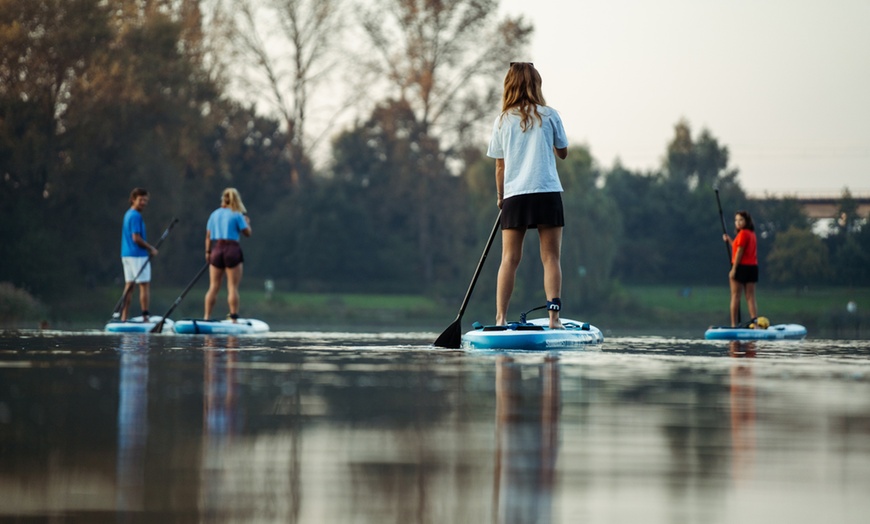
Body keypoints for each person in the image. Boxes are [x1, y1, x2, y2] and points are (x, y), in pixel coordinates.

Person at [486, 62, 568, 329]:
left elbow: (500, 165)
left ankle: (500, 319)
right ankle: (554, 319)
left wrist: (501, 197)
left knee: (509, 259)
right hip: (546, 192)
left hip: (514, 196)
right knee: (551, 257)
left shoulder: (501, 121)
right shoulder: (551, 115)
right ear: (537, 85)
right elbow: (563, 151)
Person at [204, 188, 252, 321]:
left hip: (217, 249)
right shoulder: (237, 214)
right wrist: (247, 223)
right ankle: (234, 318)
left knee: (213, 286)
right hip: (232, 249)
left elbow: (208, 236)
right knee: (232, 286)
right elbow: (247, 233)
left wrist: (208, 252)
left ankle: (207, 317)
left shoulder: (214, 214)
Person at [120, 188, 158, 321]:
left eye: (146, 200)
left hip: (126, 254)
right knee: (144, 285)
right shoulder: (135, 215)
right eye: (141, 200)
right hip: (138, 255)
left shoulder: (128, 214)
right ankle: (145, 316)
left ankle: (123, 317)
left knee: (129, 286)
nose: (144, 203)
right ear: (133, 199)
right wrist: (150, 248)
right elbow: (136, 238)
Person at [723, 210, 758, 327]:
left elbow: (739, 252)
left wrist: (734, 270)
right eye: (736, 220)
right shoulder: (751, 234)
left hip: (741, 267)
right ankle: (755, 322)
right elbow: (737, 247)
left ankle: (733, 325)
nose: (738, 223)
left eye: (741, 220)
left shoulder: (742, 234)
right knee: (750, 297)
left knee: (735, 296)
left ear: (746, 221)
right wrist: (729, 240)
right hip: (752, 267)